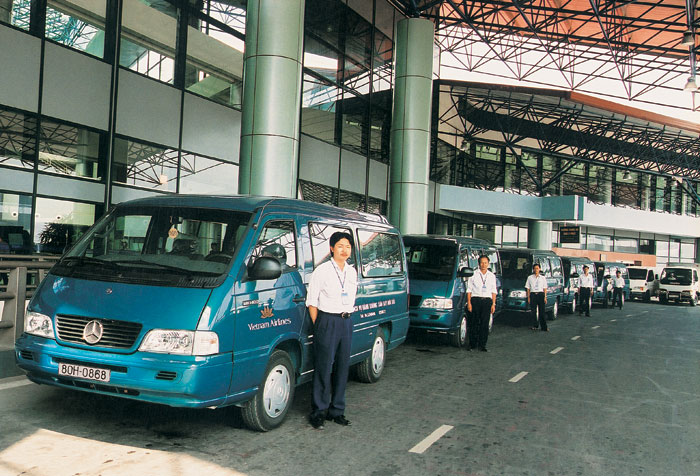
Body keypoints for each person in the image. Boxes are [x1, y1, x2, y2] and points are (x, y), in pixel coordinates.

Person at [306, 231, 357, 429]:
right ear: (331, 248)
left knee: (343, 367)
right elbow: (312, 301)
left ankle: (337, 411)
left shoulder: (351, 272)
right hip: (327, 321)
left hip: (346, 321)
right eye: (340, 246)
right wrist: (319, 324)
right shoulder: (322, 271)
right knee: (324, 367)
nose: (344, 250)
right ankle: (318, 411)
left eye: (348, 247)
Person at [466, 255, 497, 352]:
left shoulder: (492, 276)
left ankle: (482, 345)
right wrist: (469, 303)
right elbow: (469, 290)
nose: (483, 265)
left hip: (487, 301)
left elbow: (494, 291)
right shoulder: (473, 274)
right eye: (482, 263)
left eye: (485, 263)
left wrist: (493, 304)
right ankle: (472, 345)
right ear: (479, 264)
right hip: (475, 300)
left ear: (488, 264)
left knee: (484, 323)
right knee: (474, 323)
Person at [526, 263, 548, 332]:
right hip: (533, 294)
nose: (536, 270)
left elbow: (545, 288)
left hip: (540, 294)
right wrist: (528, 297)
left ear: (539, 269)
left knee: (542, 311)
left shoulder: (543, 278)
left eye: (537, 268)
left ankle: (544, 327)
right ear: (533, 269)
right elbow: (528, 288)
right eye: (535, 268)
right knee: (533, 311)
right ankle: (535, 325)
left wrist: (545, 297)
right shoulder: (530, 278)